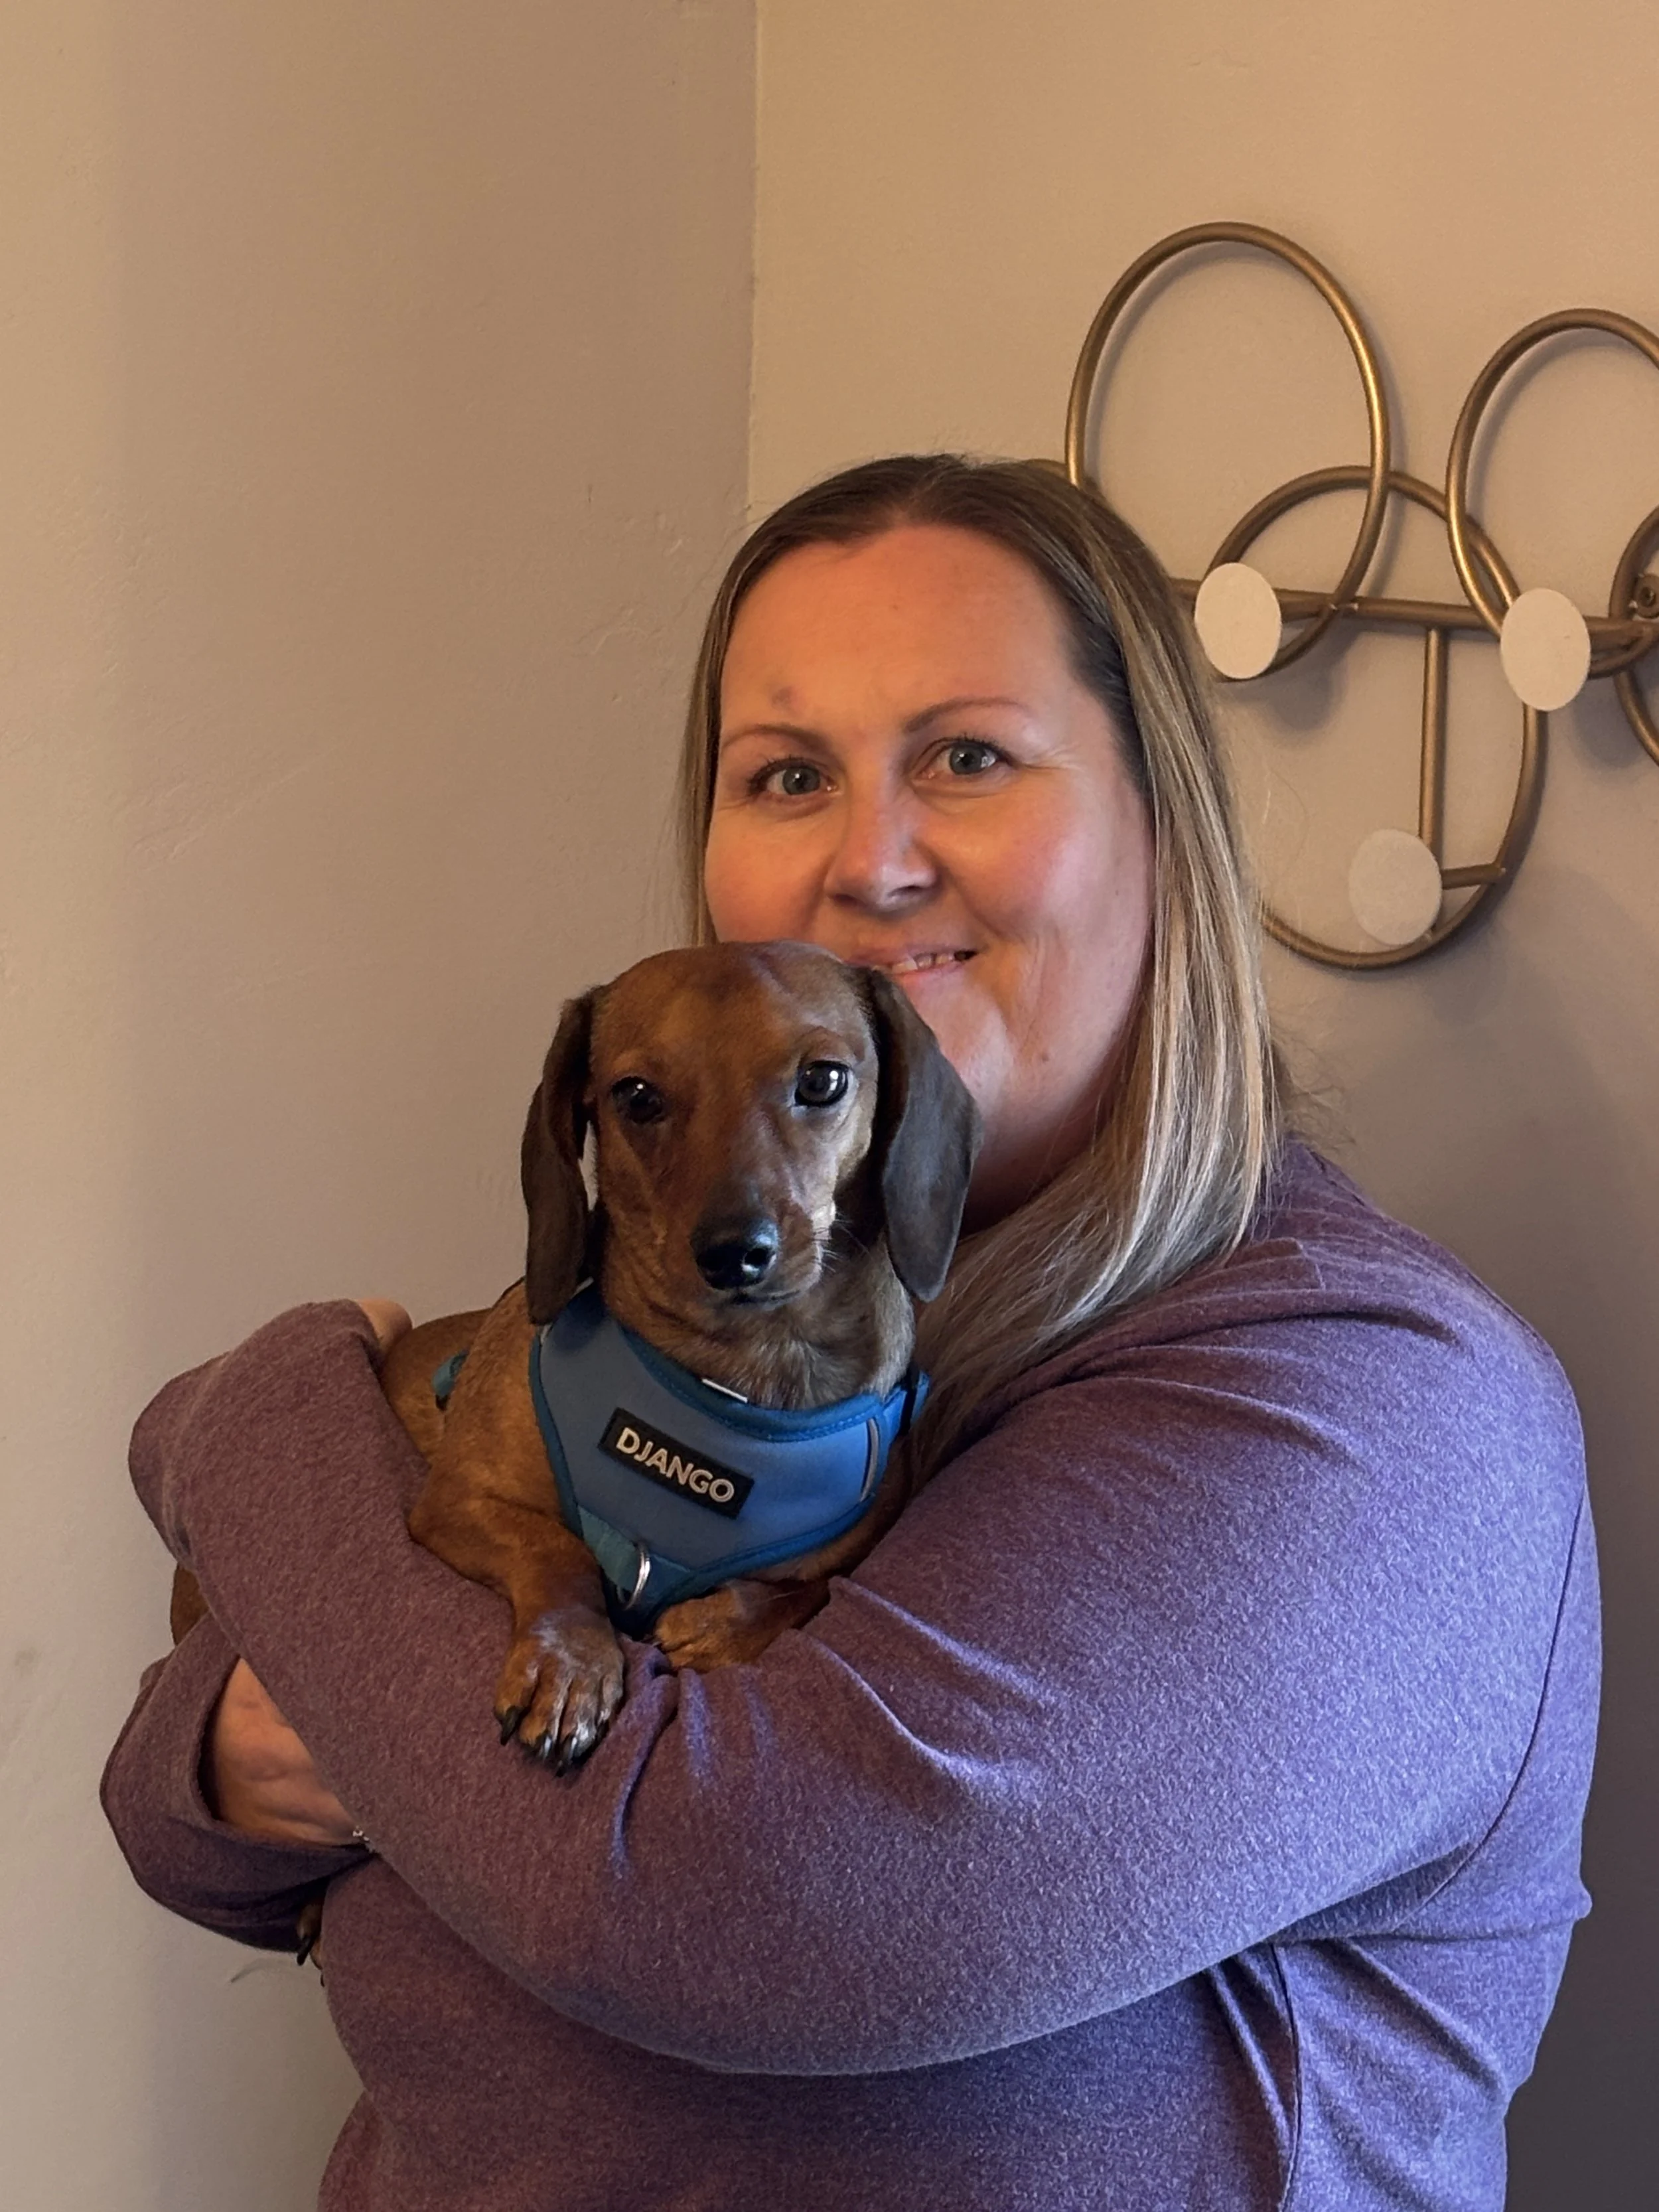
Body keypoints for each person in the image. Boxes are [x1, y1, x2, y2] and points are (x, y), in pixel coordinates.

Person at [102, 456, 1598, 2211]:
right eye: (787, 773)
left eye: (967, 755)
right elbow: (194, 1794)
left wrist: (258, 1423)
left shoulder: (1366, 1417)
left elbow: (698, 1906)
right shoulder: (737, 1326)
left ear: (1162, 830)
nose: (866, 860)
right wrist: (249, 1747)